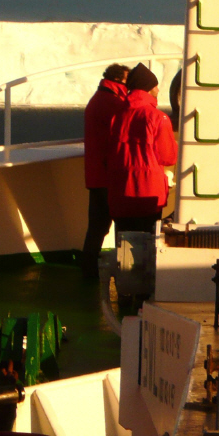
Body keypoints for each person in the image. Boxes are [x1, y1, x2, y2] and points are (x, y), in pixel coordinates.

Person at [106, 63, 177, 234]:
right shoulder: (159, 118)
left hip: (120, 189)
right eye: (155, 86)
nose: (158, 90)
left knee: (123, 240)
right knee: (147, 239)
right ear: (148, 88)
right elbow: (168, 157)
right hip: (148, 192)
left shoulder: (117, 116)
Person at [81, 64, 129, 278]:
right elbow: (122, 133)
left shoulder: (99, 99)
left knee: (97, 227)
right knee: (120, 224)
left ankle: (88, 270)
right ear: (120, 81)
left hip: (97, 175)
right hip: (108, 176)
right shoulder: (111, 103)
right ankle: (123, 270)